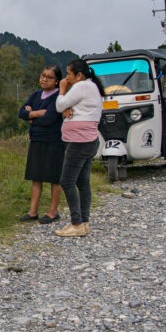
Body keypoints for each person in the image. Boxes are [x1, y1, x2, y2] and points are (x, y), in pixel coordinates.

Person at [52, 58, 104, 237]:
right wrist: (68, 108)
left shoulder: (82, 86)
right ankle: (84, 221)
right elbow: (70, 107)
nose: (66, 78)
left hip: (79, 141)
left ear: (79, 75)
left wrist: (62, 90)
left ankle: (76, 223)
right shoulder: (91, 87)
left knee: (67, 181)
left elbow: (60, 105)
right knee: (82, 181)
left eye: (69, 74)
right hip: (88, 140)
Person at [17, 66, 64, 223]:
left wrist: (31, 118)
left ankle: (52, 212)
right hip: (36, 140)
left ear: (57, 81)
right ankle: (33, 211)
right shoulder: (36, 94)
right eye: (42, 75)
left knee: (54, 178)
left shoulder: (58, 97)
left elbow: (49, 119)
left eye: (49, 77)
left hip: (54, 141)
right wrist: (36, 114)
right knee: (35, 176)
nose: (44, 79)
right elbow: (21, 112)